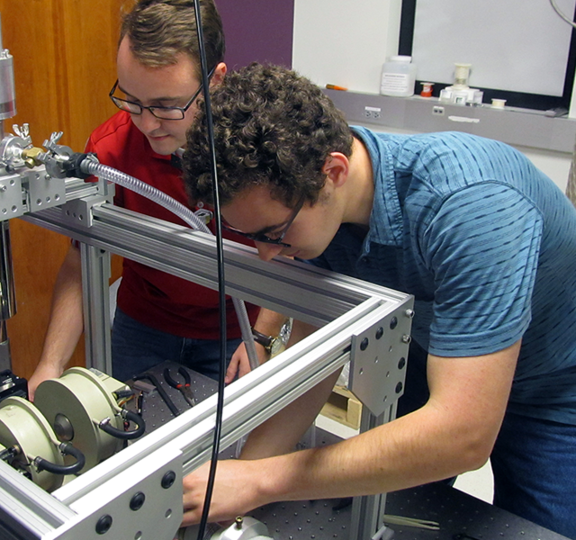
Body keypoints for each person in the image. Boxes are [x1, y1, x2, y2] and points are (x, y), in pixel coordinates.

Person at [180, 63, 576, 538]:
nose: (267, 256)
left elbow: (464, 435)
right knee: (392, 506)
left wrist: (264, 481)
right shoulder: (316, 194)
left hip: (553, 386)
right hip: (435, 356)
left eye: (273, 234)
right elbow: (313, 367)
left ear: (333, 172)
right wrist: (234, 488)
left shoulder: (469, 209)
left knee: (537, 528)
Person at [28, 1, 281, 398]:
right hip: (143, 325)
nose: (146, 123)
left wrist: (263, 337)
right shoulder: (110, 153)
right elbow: (81, 257)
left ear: (215, 82)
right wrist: (50, 363)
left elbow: (290, 254)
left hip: (237, 329)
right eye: (132, 99)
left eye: (165, 105)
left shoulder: (259, 150)